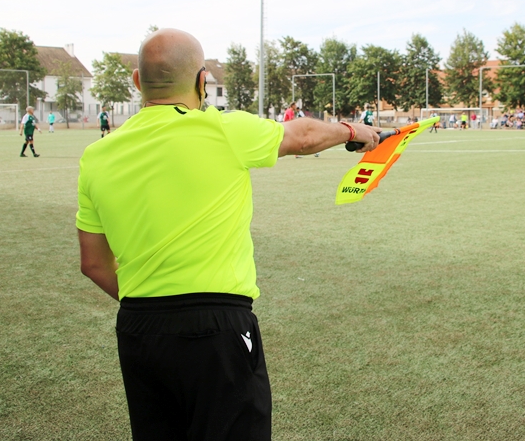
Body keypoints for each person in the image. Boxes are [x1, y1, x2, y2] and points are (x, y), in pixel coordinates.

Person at [76, 29, 380, 441]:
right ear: (203, 81)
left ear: (136, 81)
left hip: (138, 329)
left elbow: (93, 263)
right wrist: (352, 131)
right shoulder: (222, 129)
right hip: (216, 327)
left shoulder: (96, 156)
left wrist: (154, 305)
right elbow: (303, 136)